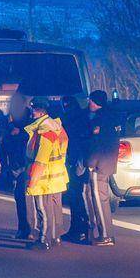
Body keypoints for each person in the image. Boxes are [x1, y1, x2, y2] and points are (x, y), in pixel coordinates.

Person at [24, 99, 70, 249]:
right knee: (51, 207)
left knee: (42, 208)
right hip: (55, 174)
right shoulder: (55, 126)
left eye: (34, 109)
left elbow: (41, 159)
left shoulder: (44, 130)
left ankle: (43, 240)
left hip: (44, 176)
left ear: (42, 112)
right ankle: (54, 237)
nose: (32, 112)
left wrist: (32, 180)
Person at [79, 90, 118, 246]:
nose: (89, 104)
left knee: (99, 198)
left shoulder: (99, 119)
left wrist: (90, 162)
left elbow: (96, 144)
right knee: (101, 197)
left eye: (92, 101)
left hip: (98, 164)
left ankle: (106, 235)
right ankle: (104, 233)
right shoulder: (112, 116)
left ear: (97, 102)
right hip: (108, 162)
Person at [61, 95, 95, 242]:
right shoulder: (83, 117)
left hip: (76, 161)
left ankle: (82, 228)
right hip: (78, 160)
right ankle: (81, 228)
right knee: (78, 196)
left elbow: (75, 141)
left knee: (78, 196)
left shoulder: (72, 118)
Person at [0, 108, 32, 240]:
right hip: (18, 165)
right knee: (22, 198)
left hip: (23, 166)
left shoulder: (24, 126)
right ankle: (25, 229)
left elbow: (2, 145)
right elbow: (2, 146)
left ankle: (26, 229)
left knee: (23, 198)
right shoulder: (14, 126)